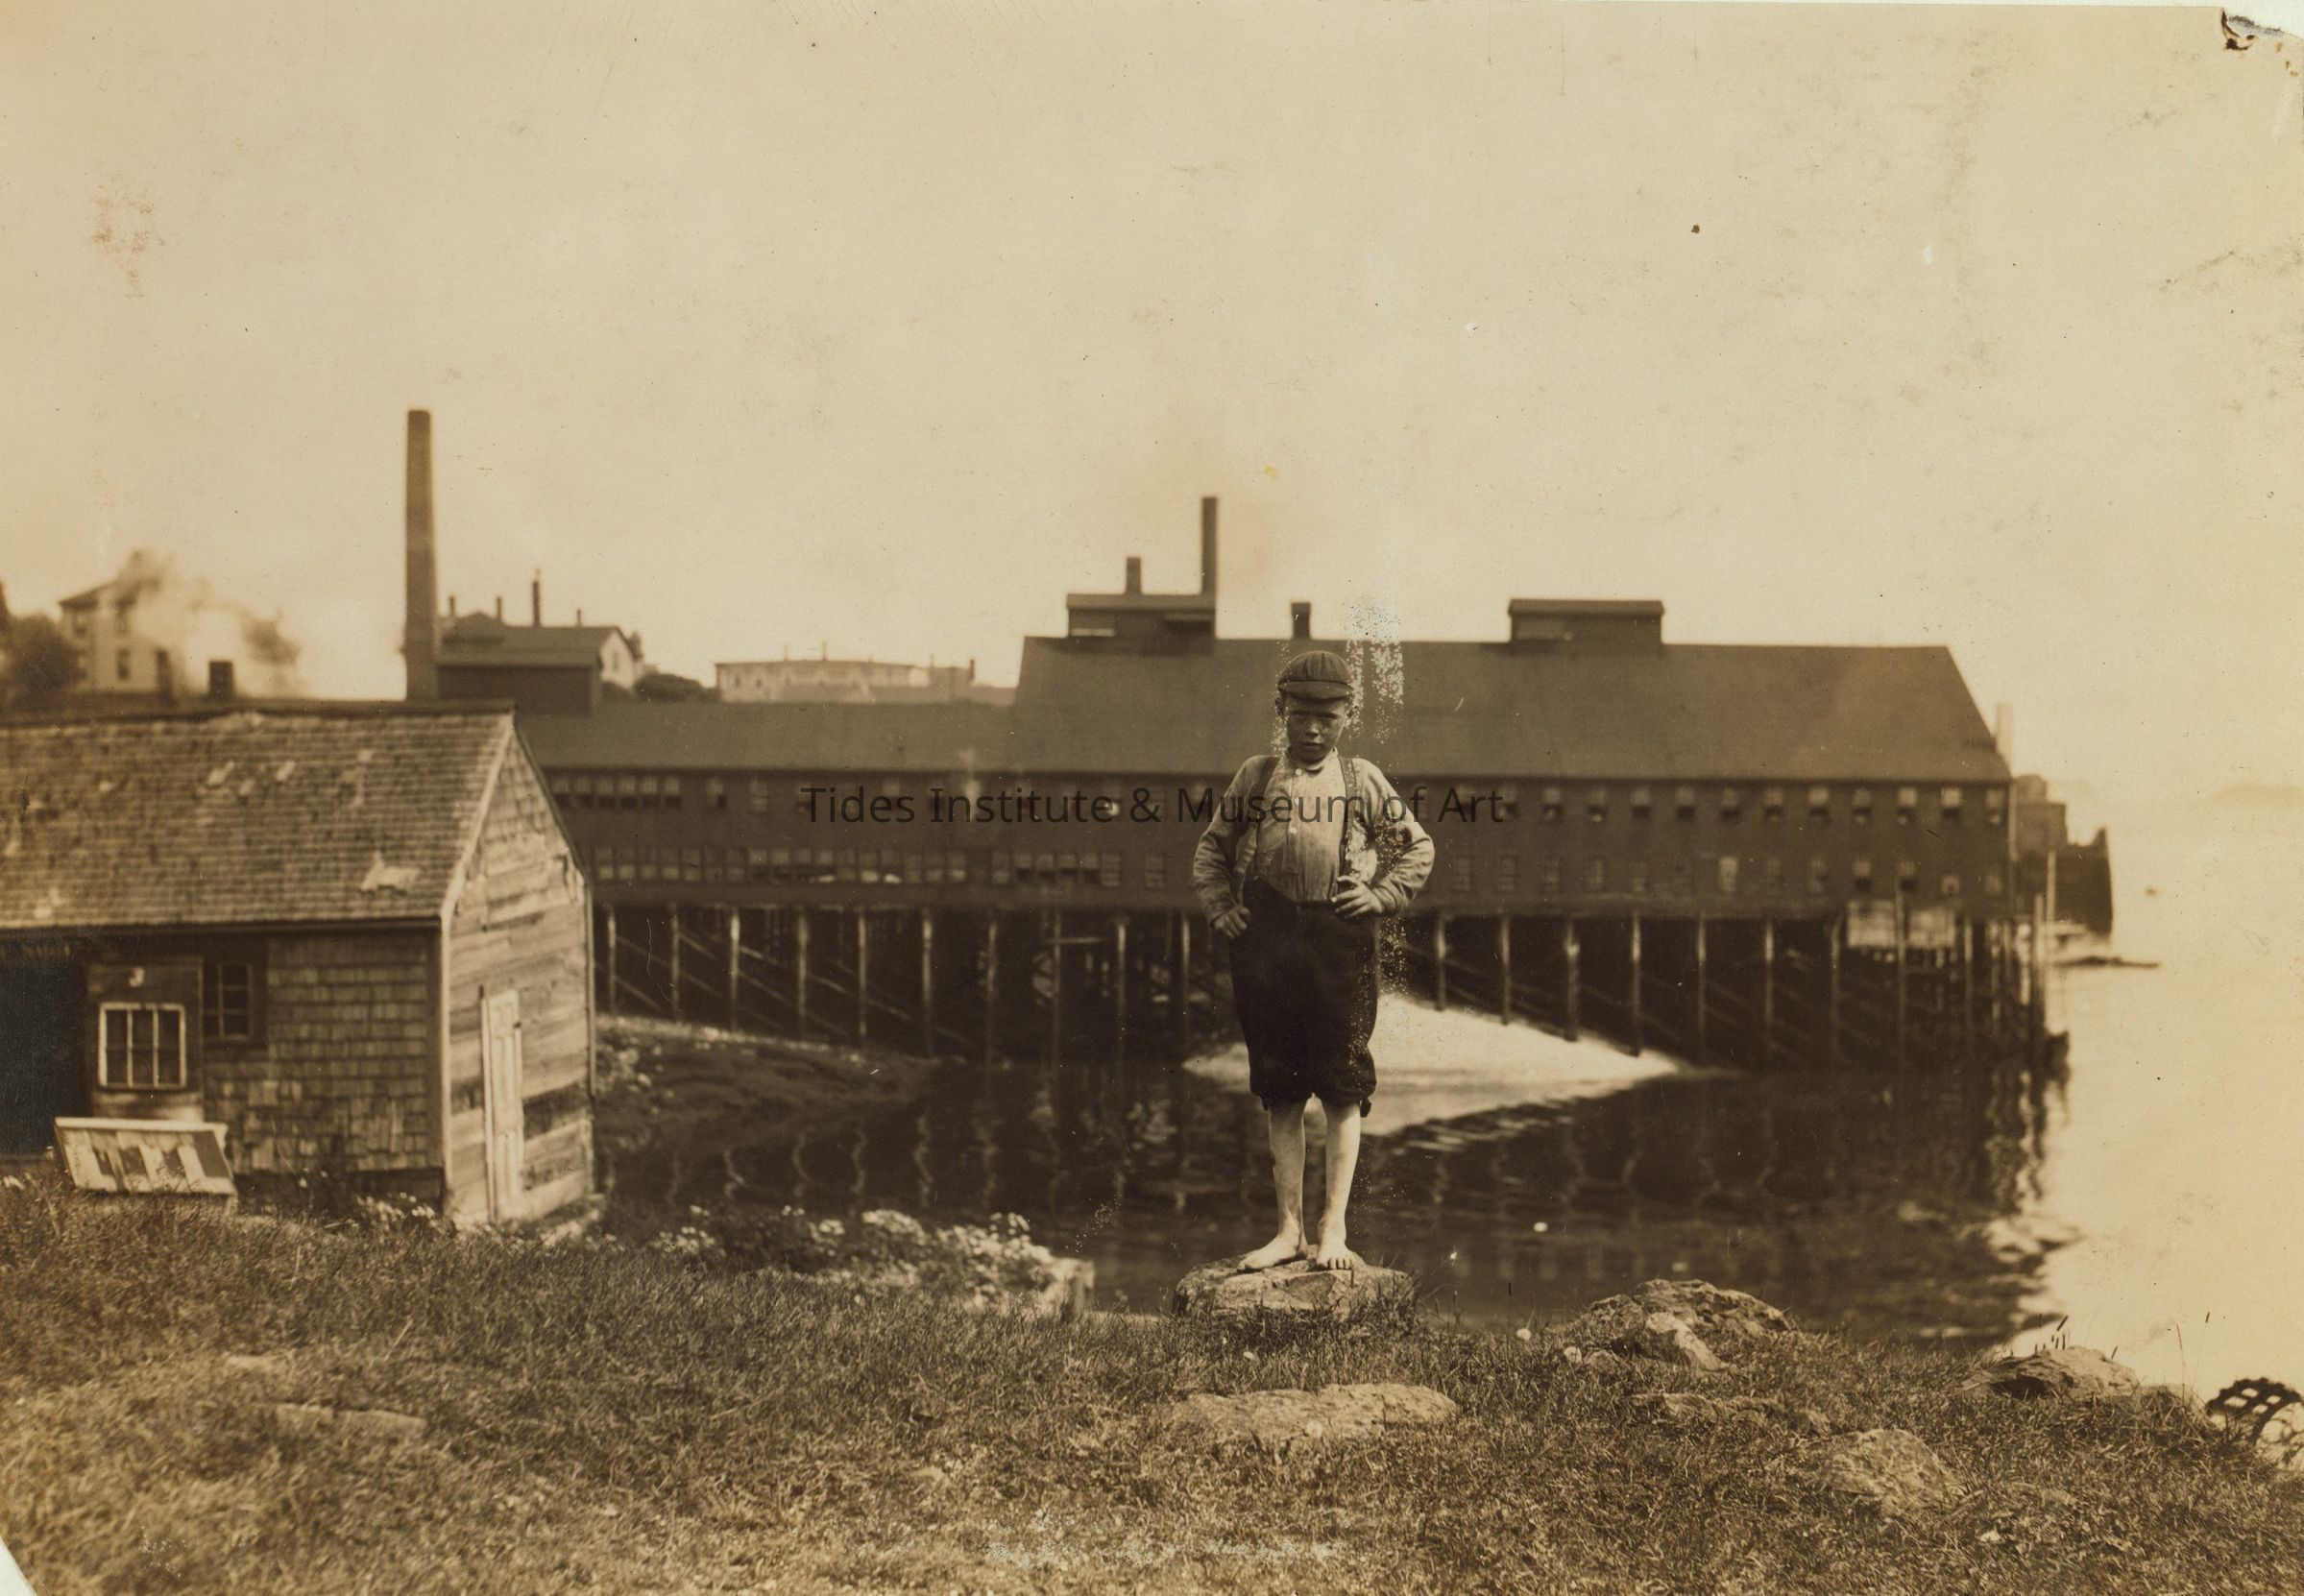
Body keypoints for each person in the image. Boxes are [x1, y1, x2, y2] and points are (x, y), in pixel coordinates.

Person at [1191, 649, 1435, 1270]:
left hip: (1338, 940)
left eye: (1327, 717)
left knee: (1342, 1087)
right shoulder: (1256, 777)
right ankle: (1287, 1231)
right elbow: (1212, 849)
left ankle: (1334, 1231)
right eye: (1300, 715)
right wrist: (1221, 908)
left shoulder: (1361, 779)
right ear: (1281, 712)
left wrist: (1379, 895)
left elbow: (1417, 848)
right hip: (1268, 941)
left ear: (1347, 715)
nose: (1312, 729)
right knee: (1280, 1089)